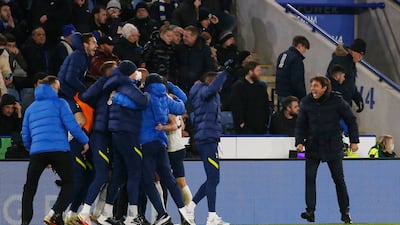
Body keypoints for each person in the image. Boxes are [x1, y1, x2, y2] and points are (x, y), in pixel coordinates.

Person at [112, 73, 194, 225]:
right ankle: (184, 212)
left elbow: (127, 103)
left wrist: (115, 96)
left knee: (148, 180)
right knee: (169, 179)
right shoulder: (166, 99)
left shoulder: (145, 97)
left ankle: (162, 214)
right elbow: (182, 105)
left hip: (145, 143)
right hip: (161, 143)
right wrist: (174, 93)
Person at [21, 75, 89, 225]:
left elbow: (25, 134)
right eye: (57, 87)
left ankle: (25, 222)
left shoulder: (31, 108)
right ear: (53, 87)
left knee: (30, 188)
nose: (59, 90)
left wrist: (33, 149)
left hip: (37, 152)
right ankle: (56, 212)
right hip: (59, 150)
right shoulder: (60, 103)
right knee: (69, 183)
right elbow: (72, 125)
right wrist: (85, 141)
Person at [295, 76, 359, 224]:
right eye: (312, 86)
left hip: (332, 146)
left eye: (316, 86)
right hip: (313, 146)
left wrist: (354, 140)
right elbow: (301, 124)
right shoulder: (306, 102)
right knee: (310, 178)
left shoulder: (336, 101)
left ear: (324, 87)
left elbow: (351, 119)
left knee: (338, 180)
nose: (313, 89)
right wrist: (299, 141)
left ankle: (345, 212)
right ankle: (310, 211)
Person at [94, 60, 150, 225]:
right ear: (130, 73)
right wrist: (146, 93)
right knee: (134, 173)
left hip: (117, 135)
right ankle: (133, 215)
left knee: (118, 175)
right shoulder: (127, 87)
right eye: (135, 71)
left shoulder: (118, 87)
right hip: (128, 134)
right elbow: (143, 102)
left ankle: (106, 213)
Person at [74, 61, 118, 225]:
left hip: (112, 137)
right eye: (114, 70)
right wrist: (103, 80)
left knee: (113, 177)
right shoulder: (101, 90)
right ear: (107, 73)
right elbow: (85, 96)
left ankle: (100, 214)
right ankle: (84, 212)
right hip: (100, 136)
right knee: (101, 175)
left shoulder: (119, 90)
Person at [187, 68, 233, 225]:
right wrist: (224, 73)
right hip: (207, 139)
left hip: (209, 139)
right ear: (210, 81)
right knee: (213, 177)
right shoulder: (203, 92)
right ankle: (211, 216)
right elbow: (212, 89)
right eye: (217, 83)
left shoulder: (208, 94)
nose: (219, 88)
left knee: (213, 178)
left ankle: (191, 207)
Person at [326, 38, 366, 112]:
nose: (360, 59)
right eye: (360, 56)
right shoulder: (340, 61)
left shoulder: (350, 61)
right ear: (354, 52)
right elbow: (331, 81)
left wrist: (357, 98)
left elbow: (350, 83)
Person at [231, 61, 270, 134]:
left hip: (260, 126)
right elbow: (236, 106)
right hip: (245, 127)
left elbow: (266, 105)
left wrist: (266, 121)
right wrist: (241, 123)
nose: (260, 73)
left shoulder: (261, 87)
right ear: (250, 72)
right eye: (258, 70)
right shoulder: (238, 86)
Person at [176, 25, 216, 94]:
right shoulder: (181, 48)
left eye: (186, 36)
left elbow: (210, 67)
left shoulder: (204, 49)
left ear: (194, 37)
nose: (183, 38)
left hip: (198, 87)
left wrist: (201, 80)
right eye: (183, 36)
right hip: (182, 86)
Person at [276, 35, 310, 102]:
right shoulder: (296, 59)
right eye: (304, 48)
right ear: (299, 45)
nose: (305, 51)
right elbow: (297, 80)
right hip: (291, 95)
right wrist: (303, 97)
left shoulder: (282, 54)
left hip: (280, 92)